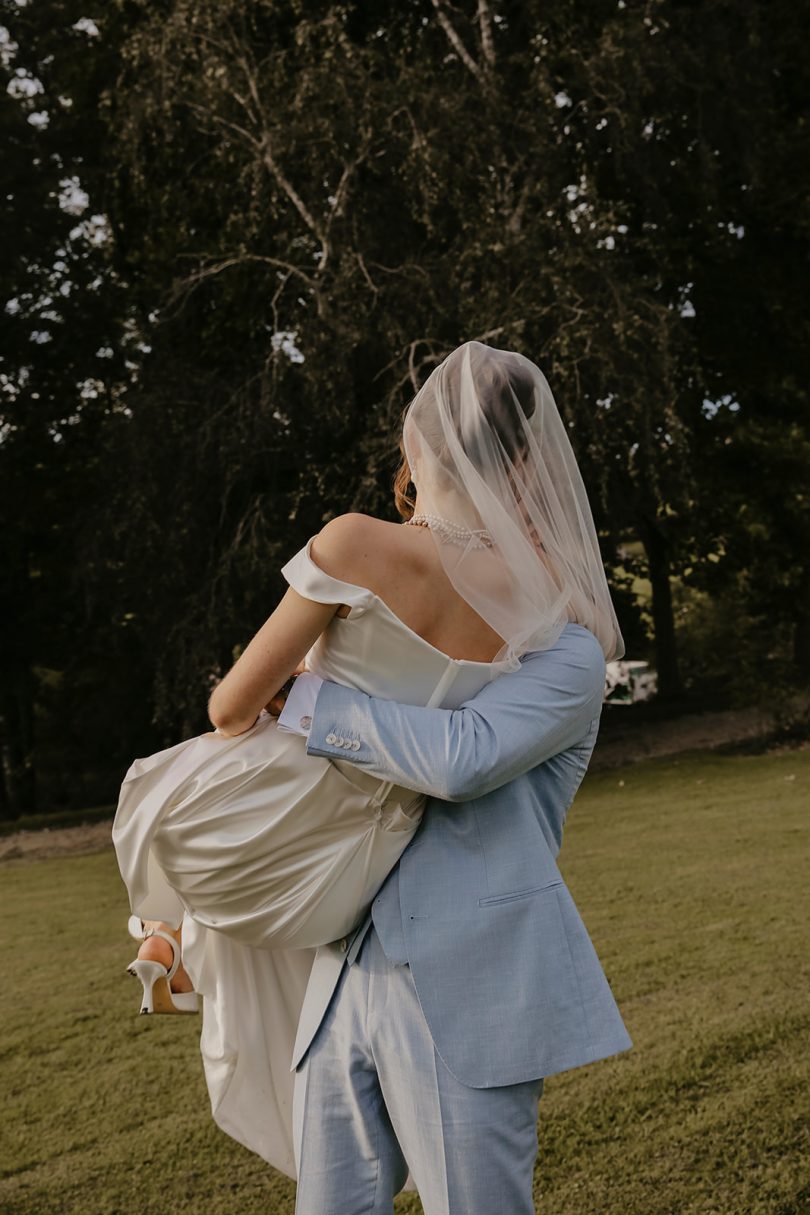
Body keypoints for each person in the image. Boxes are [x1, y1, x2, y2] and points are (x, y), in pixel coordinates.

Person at [113, 340, 631, 1202]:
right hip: (343, 968)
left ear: (419, 447)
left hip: (474, 980)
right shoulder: (441, 597)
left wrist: (308, 698)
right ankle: (178, 936)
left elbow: (464, 758)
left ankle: (170, 939)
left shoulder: (567, 651)